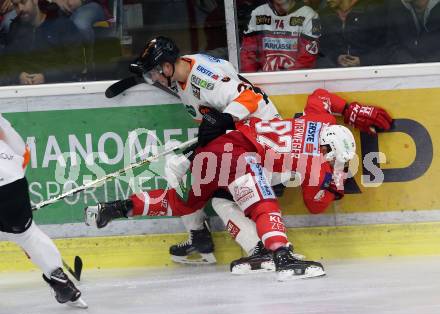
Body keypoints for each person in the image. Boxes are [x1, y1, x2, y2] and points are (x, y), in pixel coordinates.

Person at [84, 88, 392, 279]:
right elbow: (316, 204)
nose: (331, 162)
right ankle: (282, 256)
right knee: (263, 203)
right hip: (240, 156)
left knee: (184, 203)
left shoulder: (318, 122)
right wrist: (336, 176)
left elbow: (319, 97)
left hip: (216, 148)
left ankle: (118, 207)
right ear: (328, 150)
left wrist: (350, 109)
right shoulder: (315, 162)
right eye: (333, 158)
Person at [125, 36, 282, 266]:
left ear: (167, 66)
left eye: (154, 74)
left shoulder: (206, 78)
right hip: (240, 142)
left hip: (264, 143)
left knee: (220, 199)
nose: (155, 80)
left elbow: (251, 97)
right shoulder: (182, 74)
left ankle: (259, 250)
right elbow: (210, 123)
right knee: (186, 175)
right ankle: (202, 236)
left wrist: (224, 120)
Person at [0, 114, 87, 308]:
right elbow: (21, 151)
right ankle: (60, 281)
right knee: (27, 236)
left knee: (23, 235)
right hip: (11, 183)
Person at [0, 0, 84, 85]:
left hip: (56, 88)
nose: (20, 8)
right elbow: (8, 61)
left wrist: (46, 77)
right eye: (16, 5)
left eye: (23, 2)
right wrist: (18, 75)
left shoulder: (62, 24)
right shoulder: (15, 27)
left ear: (35, 1)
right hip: (23, 90)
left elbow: (76, 63)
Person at [240, 0, 321, 72]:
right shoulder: (257, 13)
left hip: (295, 82)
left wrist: (285, 82)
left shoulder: (310, 15)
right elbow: (248, 56)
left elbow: (306, 61)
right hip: (263, 81)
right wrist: (252, 82)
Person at [317, 0, 387, 68]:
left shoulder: (373, 10)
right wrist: (336, 58)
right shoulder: (323, 15)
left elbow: (388, 47)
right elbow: (320, 48)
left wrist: (363, 61)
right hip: (333, 74)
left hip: (371, 73)